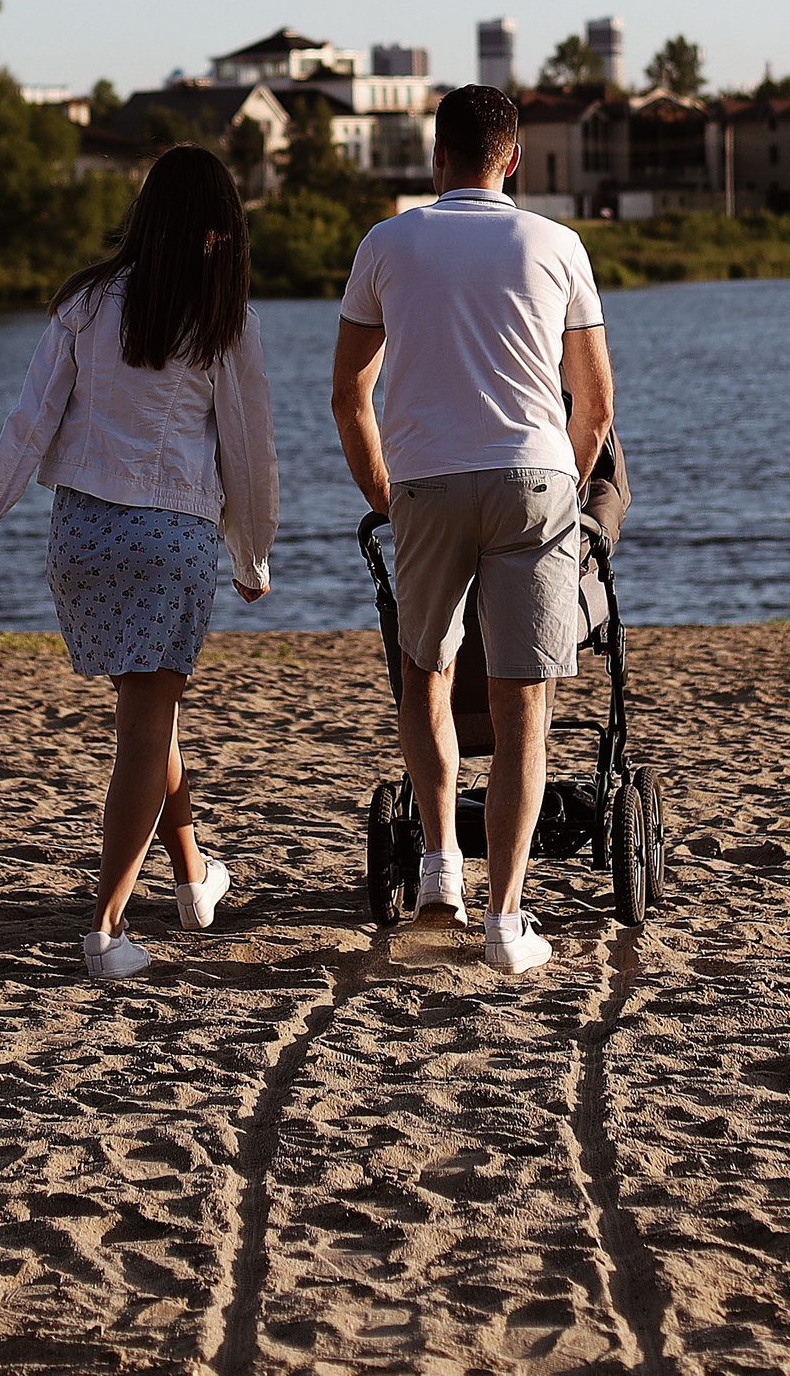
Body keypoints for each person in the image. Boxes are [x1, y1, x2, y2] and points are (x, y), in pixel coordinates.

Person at [0, 145, 277, 980]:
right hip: (169, 540)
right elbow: (249, 455)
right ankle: (106, 930)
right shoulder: (226, 319)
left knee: (147, 712)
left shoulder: (87, 303)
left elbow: (29, 422)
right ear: (221, 231)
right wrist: (252, 553)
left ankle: (194, 878)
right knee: (145, 726)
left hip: (83, 536)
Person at [331, 85, 614, 977]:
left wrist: (386, 494)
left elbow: (349, 394)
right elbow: (596, 408)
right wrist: (564, 486)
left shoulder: (386, 243)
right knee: (523, 703)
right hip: (535, 477)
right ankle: (505, 919)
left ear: (437, 156)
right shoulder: (557, 244)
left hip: (425, 480)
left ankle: (441, 870)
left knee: (426, 671)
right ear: (514, 158)